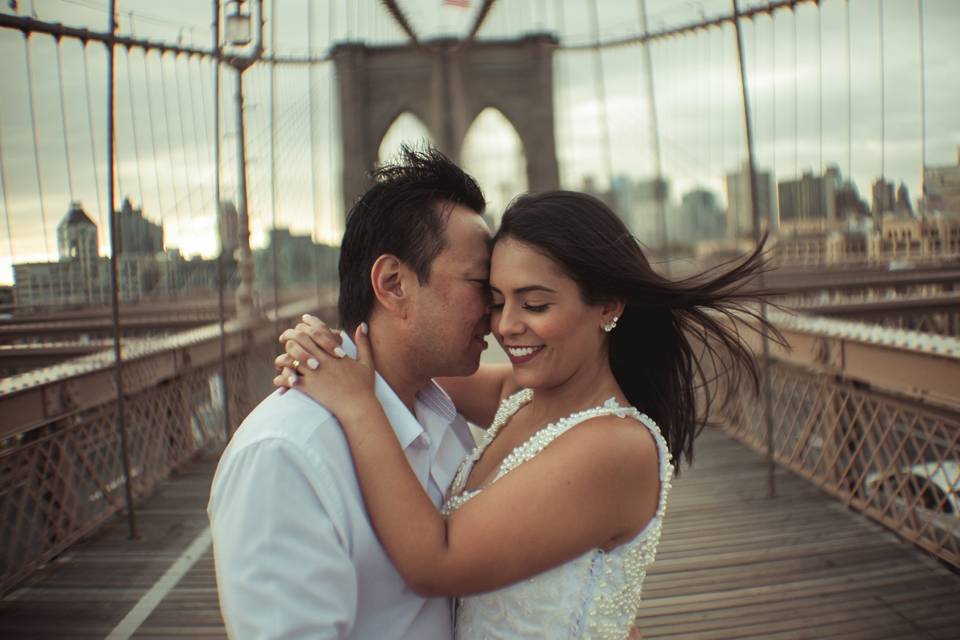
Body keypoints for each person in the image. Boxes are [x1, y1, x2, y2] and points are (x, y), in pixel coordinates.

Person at [276, 189, 775, 638]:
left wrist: (359, 407)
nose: (507, 327)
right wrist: (328, 346)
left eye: (534, 304)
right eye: (495, 302)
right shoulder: (521, 392)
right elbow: (405, 359)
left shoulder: (615, 447)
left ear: (607, 308)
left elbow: (437, 561)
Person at [207, 147, 493, 639]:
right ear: (393, 284)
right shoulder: (284, 455)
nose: (497, 309)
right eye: (480, 283)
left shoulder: (440, 410)